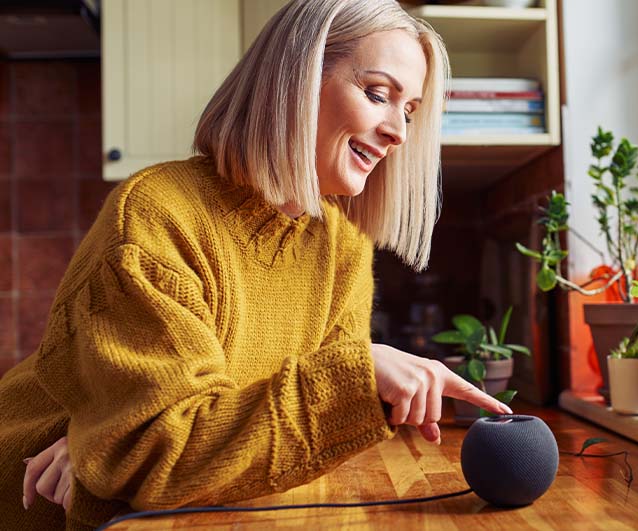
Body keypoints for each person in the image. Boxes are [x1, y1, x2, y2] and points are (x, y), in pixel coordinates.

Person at [1, 1, 512, 529]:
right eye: (378, 94)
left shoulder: (341, 247)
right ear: (295, 81)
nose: (399, 133)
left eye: (408, 111)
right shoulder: (157, 213)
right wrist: (117, 445)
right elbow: (161, 454)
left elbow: (264, 447)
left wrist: (107, 448)